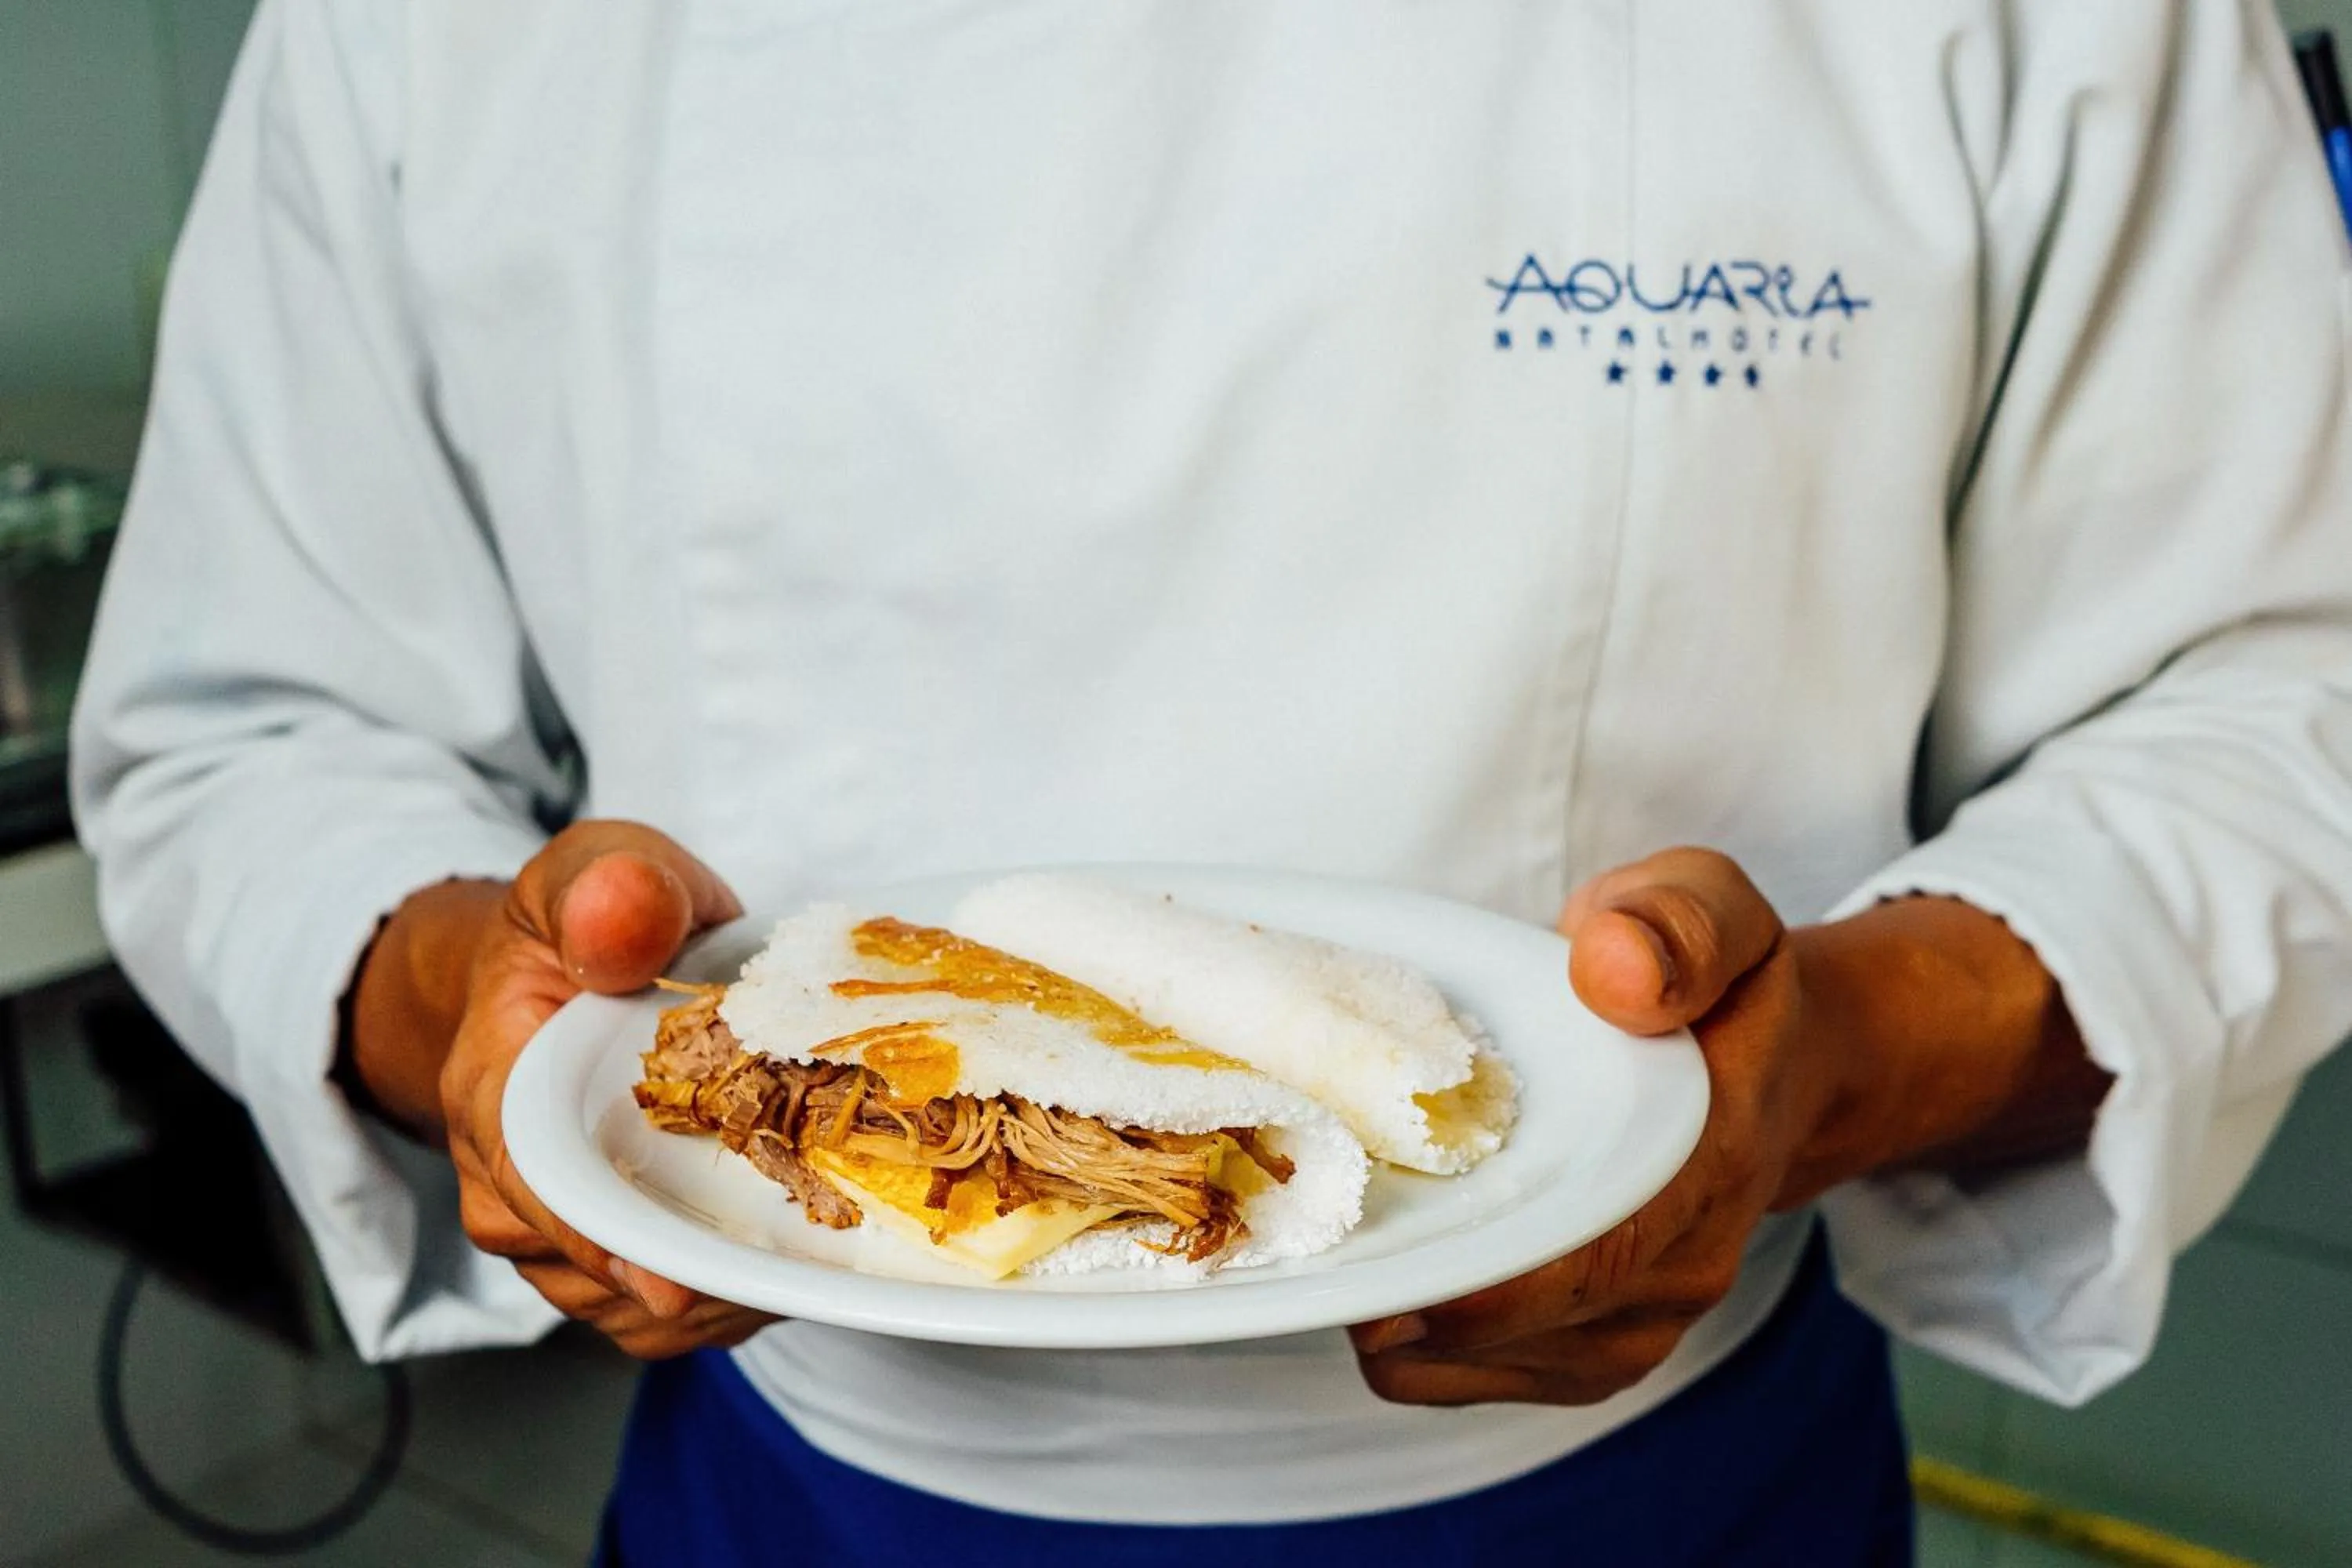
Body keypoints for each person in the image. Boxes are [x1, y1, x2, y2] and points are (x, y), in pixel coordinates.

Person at [69, 2, 2352, 1563]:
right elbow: (260, 734)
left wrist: (1821, 1067)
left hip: (1657, 1484)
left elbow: (2280, 699)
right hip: (814, 1498)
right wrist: (506, 1012)